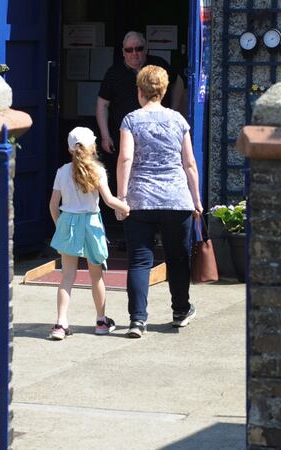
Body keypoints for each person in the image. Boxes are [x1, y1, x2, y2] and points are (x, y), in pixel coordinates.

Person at [116, 65, 203, 338]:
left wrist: (121, 197)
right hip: (176, 198)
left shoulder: (131, 120)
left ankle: (137, 321)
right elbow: (189, 163)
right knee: (178, 258)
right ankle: (180, 311)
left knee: (140, 261)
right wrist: (197, 200)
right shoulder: (178, 121)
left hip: (140, 199)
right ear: (164, 91)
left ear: (140, 90)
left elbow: (126, 158)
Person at [48, 127, 130, 340]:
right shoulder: (98, 170)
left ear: (69, 148)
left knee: (67, 276)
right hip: (92, 223)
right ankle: (101, 321)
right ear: (93, 147)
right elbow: (109, 200)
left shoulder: (62, 171)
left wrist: (60, 226)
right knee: (96, 277)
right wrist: (125, 208)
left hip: (68, 221)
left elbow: (53, 205)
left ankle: (60, 323)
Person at [96, 31, 185, 206]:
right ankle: (123, 210)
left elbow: (179, 81)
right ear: (123, 52)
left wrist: (173, 110)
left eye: (139, 48)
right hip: (124, 134)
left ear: (146, 49)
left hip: (158, 134)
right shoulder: (114, 73)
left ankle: (155, 212)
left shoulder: (158, 65)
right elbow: (102, 105)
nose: (134, 53)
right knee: (125, 169)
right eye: (129, 50)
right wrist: (105, 136)